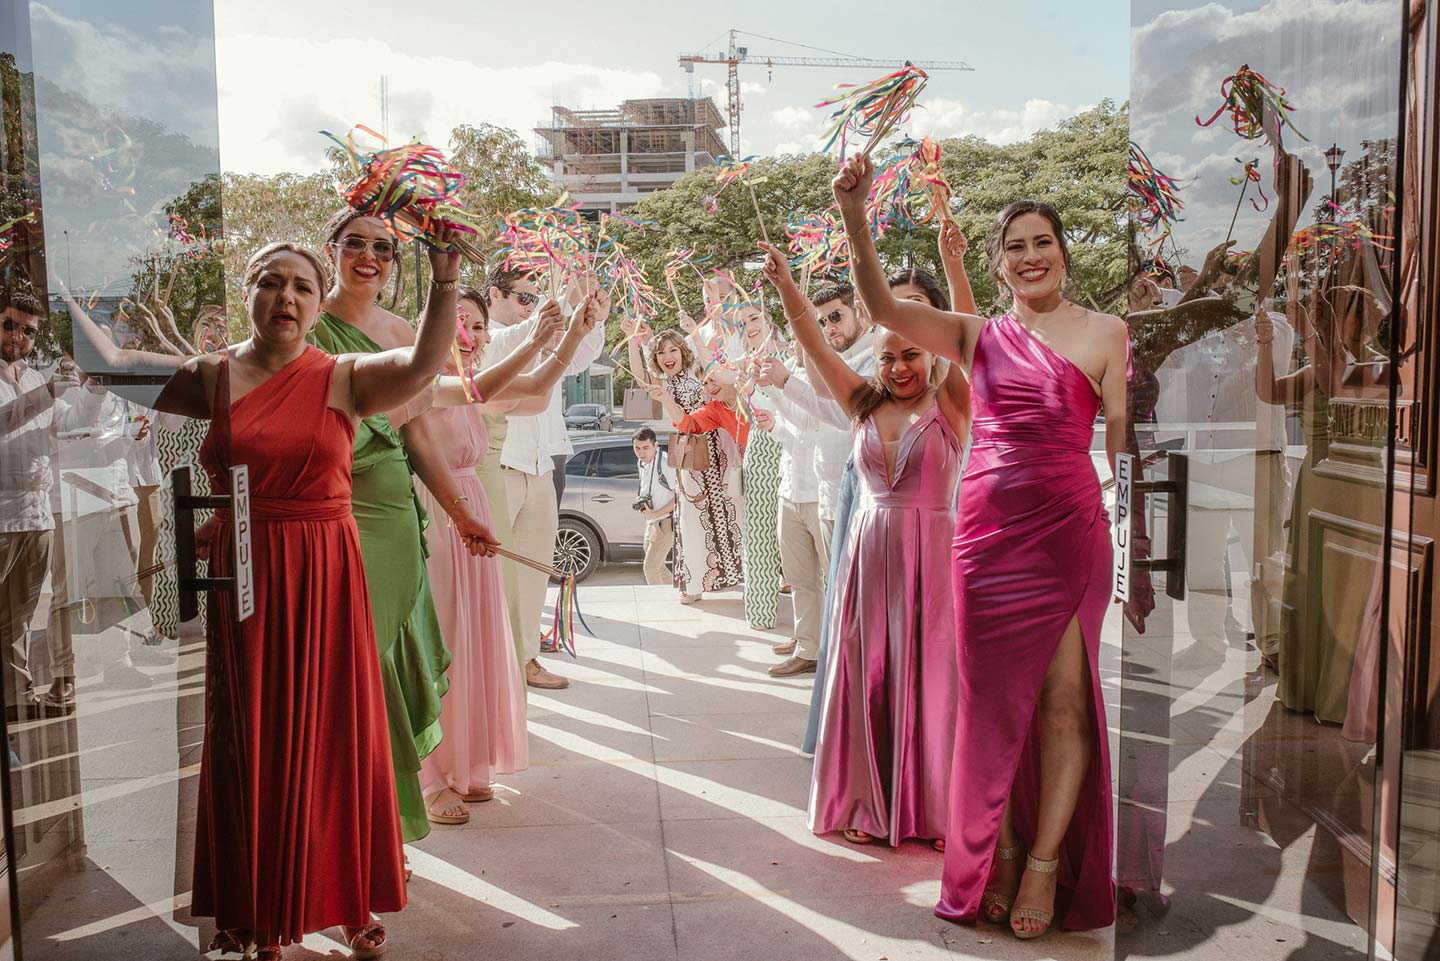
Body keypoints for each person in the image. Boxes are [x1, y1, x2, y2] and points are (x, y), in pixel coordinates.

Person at [150, 234, 477, 958]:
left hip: (328, 575)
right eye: (272, 283)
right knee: (253, 742)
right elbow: (134, 409)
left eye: (302, 285)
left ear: (317, 297)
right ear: (249, 294)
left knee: (339, 742)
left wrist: (447, 276)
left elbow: (425, 364)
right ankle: (263, 911)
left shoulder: (342, 375)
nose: (288, 298)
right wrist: (199, 523)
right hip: (249, 581)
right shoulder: (207, 376)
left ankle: (348, 899)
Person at [833, 154, 1129, 939]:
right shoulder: (977, 335)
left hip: (1070, 536)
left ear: (1063, 249)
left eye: (1044, 241)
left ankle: (1043, 861)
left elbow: (1125, 455)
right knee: (990, 710)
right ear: (999, 264)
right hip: (988, 542)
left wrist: (1132, 560)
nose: (1032, 256)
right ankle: (992, 851)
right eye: (1017, 247)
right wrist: (858, 217)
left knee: (1065, 704)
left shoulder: (1108, 334)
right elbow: (879, 307)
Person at [761, 241, 969, 851]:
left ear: (932, 358)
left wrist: (953, 267)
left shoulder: (954, 404)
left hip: (933, 557)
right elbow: (814, 343)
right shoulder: (861, 404)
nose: (899, 367)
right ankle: (864, 798)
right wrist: (786, 288)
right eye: (888, 359)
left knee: (935, 676)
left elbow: (965, 333)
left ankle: (933, 808)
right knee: (866, 670)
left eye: (911, 355)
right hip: (866, 556)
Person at [308, 210, 494, 846]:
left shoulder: (401, 333)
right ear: (329, 249)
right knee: (343, 672)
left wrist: (460, 512)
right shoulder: (302, 323)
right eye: (354, 244)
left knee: (380, 663)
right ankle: (352, 827)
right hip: (324, 507)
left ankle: (379, 825)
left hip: (391, 514)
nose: (369, 257)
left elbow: (416, 430)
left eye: (383, 248)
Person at [416, 284, 598, 825]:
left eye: (477, 327)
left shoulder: (476, 387)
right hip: (437, 517)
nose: (471, 336)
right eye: (459, 324)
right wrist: (544, 334)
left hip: (476, 516)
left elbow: (540, 390)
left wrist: (574, 334)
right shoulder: (421, 384)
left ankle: (465, 767)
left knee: (472, 640)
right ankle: (428, 777)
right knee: (441, 640)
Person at [481, 266, 607, 691]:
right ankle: (495, 663)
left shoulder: (533, 334)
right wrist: (561, 306)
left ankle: (527, 657)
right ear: (495, 294)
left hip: (541, 466)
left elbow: (578, 357)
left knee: (534, 572)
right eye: (526, 298)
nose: (533, 307)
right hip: (500, 467)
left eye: (536, 298)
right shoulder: (485, 338)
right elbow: (511, 346)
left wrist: (594, 318)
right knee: (497, 578)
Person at [627, 326, 744, 603]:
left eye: (673, 349)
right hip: (690, 457)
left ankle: (741, 575)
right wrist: (633, 339)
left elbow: (715, 367)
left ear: (682, 351)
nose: (668, 356)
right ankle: (693, 585)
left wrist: (698, 328)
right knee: (691, 519)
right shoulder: (662, 384)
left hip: (718, 451)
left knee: (732, 513)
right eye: (661, 352)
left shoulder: (699, 373)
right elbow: (637, 372)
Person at [0, 285, 67, 715]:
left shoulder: (35, 377)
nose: (17, 337)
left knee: (19, 621)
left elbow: (62, 428)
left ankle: (15, 699)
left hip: (38, 514)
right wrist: (49, 393)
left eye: (27, 331)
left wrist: (93, 397)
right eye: (9, 325)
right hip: (2, 514)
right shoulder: (39, 387)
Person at [734, 302, 787, 632]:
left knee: (807, 530)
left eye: (753, 318)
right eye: (742, 323)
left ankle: (821, 618)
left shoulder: (793, 353)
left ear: (769, 319)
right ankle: (761, 614)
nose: (749, 326)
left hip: (797, 442)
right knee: (758, 536)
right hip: (761, 449)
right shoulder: (742, 366)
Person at [632, 427, 677, 586]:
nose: (641, 452)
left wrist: (656, 512)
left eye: (645, 448)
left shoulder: (665, 463)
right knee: (658, 566)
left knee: (650, 569)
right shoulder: (641, 463)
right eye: (637, 448)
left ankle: (659, 605)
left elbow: (679, 497)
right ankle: (672, 596)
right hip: (651, 522)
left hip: (665, 523)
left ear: (655, 445)